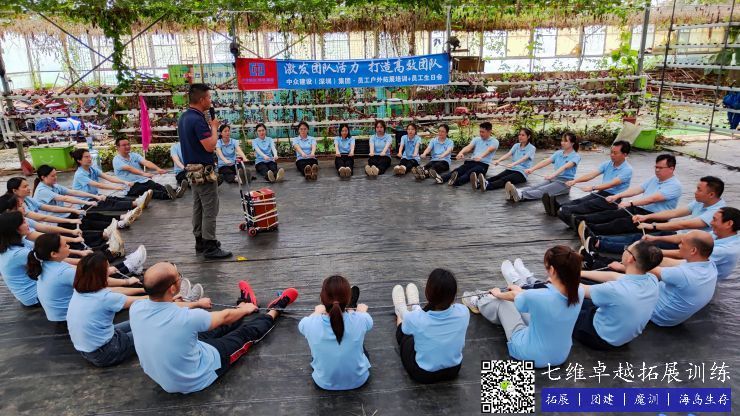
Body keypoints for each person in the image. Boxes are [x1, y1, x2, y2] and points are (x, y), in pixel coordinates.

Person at [130, 262, 298, 394]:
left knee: (214, 328)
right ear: (173, 288)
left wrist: (196, 303)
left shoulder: (136, 307)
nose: (180, 278)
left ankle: (244, 305)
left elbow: (172, 310)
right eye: (178, 276)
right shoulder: (186, 318)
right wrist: (244, 310)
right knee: (243, 335)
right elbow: (224, 317)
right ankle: (275, 310)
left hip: (165, 375)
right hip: (196, 376)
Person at [462, 246, 584, 368]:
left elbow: (514, 296)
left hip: (530, 355)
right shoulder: (579, 291)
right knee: (523, 305)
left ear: (552, 270)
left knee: (503, 303)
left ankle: (479, 301)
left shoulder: (538, 296)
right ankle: (514, 283)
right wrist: (520, 291)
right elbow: (528, 296)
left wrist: (497, 293)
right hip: (560, 356)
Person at [584, 176, 726, 254]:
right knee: (638, 237)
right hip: (681, 236)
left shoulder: (717, 212)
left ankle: (599, 244)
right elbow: (675, 213)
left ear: (711, 194)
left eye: (699, 190)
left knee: (643, 246)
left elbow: (683, 224)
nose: (695, 192)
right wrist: (646, 218)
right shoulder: (700, 202)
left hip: (690, 246)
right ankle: (598, 239)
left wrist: (652, 225)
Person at [573, 241, 663, 350]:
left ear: (630, 258)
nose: (624, 250)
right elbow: (614, 276)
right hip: (618, 333)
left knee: (566, 301)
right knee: (583, 298)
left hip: (600, 337)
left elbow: (577, 289)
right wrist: (581, 273)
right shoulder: (652, 279)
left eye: (627, 248)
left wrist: (561, 274)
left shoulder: (616, 290)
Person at [178, 83, 231, 259]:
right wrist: (214, 127)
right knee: (210, 208)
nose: (210, 100)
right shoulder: (197, 119)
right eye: (208, 97)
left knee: (198, 206)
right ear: (201, 100)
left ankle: (200, 240)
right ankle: (210, 245)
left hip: (192, 170)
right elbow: (210, 146)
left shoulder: (184, 117)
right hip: (203, 171)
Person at [67, 253, 146, 367]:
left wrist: (141, 290)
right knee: (149, 328)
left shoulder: (80, 290)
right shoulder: (104, 298)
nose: (109, 271)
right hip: (105, 353)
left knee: (135, 321)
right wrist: (155, 296)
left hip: (87, 350)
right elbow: (138, 302)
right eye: (107, 269)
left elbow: (115, 290)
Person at [391, 269, 469, 383]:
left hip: (423, 374)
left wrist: (403, 310)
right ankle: (414, 306)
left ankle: (400, 309)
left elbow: (406, 330)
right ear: (453, 296)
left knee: (405, 335)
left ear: (428, 293)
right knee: (417, 326)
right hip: (453, 370)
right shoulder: (463, 311)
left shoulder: (417, 319)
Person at [574, 154, 682, 236]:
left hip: (655, 217)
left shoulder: (674, 185)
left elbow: (652, 199)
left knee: (621, 223)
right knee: (611, 214)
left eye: (660, 168)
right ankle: (579, 220)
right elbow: (637, 189)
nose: (657, 170)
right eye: (656, 167)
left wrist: (630, 203)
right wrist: (617, 196)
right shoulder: (654, 179)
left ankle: (589, 230)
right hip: (641, 210)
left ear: (671, 169)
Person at [298, 276, 371, 390]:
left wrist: (316, 312)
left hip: (324, 382)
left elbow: (306, 323)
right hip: (359, 380)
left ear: (322, 299)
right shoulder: (362, 319)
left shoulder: (308, 323)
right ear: (347, 298)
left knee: (315, 344)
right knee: (359, 340)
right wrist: (360, 311)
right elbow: (366, 321)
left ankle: (347, 309)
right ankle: (350, 308)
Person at [34, 165, 137, 231]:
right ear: (43, 177)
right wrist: (88, 203)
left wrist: (95, 196)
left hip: (65, 214)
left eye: (56, 175)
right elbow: (66, 199)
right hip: (55, 222)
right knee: (87, 223)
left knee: (94, 215)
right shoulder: (42, 191)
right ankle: (118, 224)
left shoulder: (54, 186)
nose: (55, 178)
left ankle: (120, 218)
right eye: (52, 176)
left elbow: (73, 192)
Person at [649, 231, 718, 327]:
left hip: (657, 315)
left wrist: (634, 251)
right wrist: (654, 254)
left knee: (635, 273)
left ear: (693, 250)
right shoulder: (710, 265)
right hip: (672, 317)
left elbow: (644, 267)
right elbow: (669, 262)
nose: (679, 246)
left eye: (682, 243)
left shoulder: (683, 274)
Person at [552, 140, 632, 220]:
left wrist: (593, 188)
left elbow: (612, 184)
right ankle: (559, 208)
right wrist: (575, 181)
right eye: (611, 152)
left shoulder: (627, 170)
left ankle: (567, 213)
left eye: (615, 153)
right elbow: (592, 174)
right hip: (602, 193)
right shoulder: (607, 164)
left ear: (624, 154)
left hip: (614, 198)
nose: (612, 155)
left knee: (587, 205)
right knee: (579, 201)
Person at [503, 132, 580, 202]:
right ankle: (517, 191)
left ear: (572, 143)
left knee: (542, 190)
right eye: (562, 141)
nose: (562, 143)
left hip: (564, 183)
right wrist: (532, 169)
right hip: (554, 179)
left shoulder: (576, 156)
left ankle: (521, 195)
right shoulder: (558, 153)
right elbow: (545, 161)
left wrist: (552, 175)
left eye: (565, 141)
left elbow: (565, 167)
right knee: (535, 186)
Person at [71, 148, 152, 212]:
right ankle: (137, 203)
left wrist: (125, 182)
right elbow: (98, 185)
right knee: (109, 203)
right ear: (79, 160)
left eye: (89, 156)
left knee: (113, 198)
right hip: (85, 203)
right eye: (86, 157)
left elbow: (108, 177)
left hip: (95, 196)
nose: (89, 159)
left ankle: (138, 201)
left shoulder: (92, 169)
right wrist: (115, 187)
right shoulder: (80, 174)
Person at [430, 122, 498, 187]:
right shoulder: (477, 139)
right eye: (480, 131)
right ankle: (441, 179)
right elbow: (468, 147)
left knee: (469, 173)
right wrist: (461, 153)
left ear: (489, 131)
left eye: (483, 132)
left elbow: (489, 150)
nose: (481, 134)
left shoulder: (494, 141)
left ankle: (455, 182)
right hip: (472, 161)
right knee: (458, 170)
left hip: (483, 165)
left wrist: (481, 157)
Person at [26, 233, 76, 322]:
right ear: (54, 254)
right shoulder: (64, 272)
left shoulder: (44, 263)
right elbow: (95, 285)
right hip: (67, 318)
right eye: (65, 245)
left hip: (56, 315)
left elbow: (76, 269)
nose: (69, 246)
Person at [476, 128, 536, 192]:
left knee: (504, 179)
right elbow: (508, 154)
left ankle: (487, 186)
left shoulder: (532, 148)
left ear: (528, 136)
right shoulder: (516, 145)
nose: (520, 137)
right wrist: (498, 160)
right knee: (497, 177)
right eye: (519, 135)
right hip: (512, 169)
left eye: (523, 135)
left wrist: (513, 164)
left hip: (521, 173)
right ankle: (479, 183)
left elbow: (524, 158)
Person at [0, 211, 39, 306]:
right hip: (34, 296)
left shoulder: (12, 244)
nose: (27, 224)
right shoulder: (18, 254)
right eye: (23, 222)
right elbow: (51, 263)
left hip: (30, 291)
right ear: (15, 229)